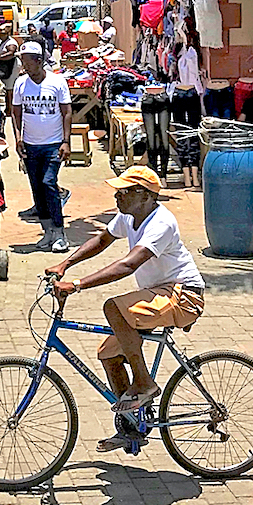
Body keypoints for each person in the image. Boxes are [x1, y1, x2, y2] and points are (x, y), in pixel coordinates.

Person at [45, 166, 205, 452]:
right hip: (157, 293)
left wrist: (78, 284)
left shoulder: (161, 223)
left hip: (183, 295)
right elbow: (101, 240)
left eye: (124, 191)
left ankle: (144, 384)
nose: (117, 195)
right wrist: (65, 265)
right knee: (108, 354)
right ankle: (131, 425)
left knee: (114, 308)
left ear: (144, 195)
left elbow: (128, 264)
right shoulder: (129, 216)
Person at [12, 41, 73, 252]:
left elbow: (66, 112)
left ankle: (60, 233)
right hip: (30, 145)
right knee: (37, 189)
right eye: (22, 62)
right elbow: (16, 113)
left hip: (53, 144)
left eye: (27, 62)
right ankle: (47, 232)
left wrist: (66, 141)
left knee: (49, 183)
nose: (24, 66)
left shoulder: (57, 82)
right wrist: (18, 138)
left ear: (39, 61)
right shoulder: (21, 84)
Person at [0, 23, 20, 110]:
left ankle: (10, 109)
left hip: (11, 66)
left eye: (2, 34)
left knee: (9, 88)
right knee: (5, 88)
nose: (0, 36)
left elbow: (11, 53)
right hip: (2, 65)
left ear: (7, 34)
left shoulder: (11, 43)